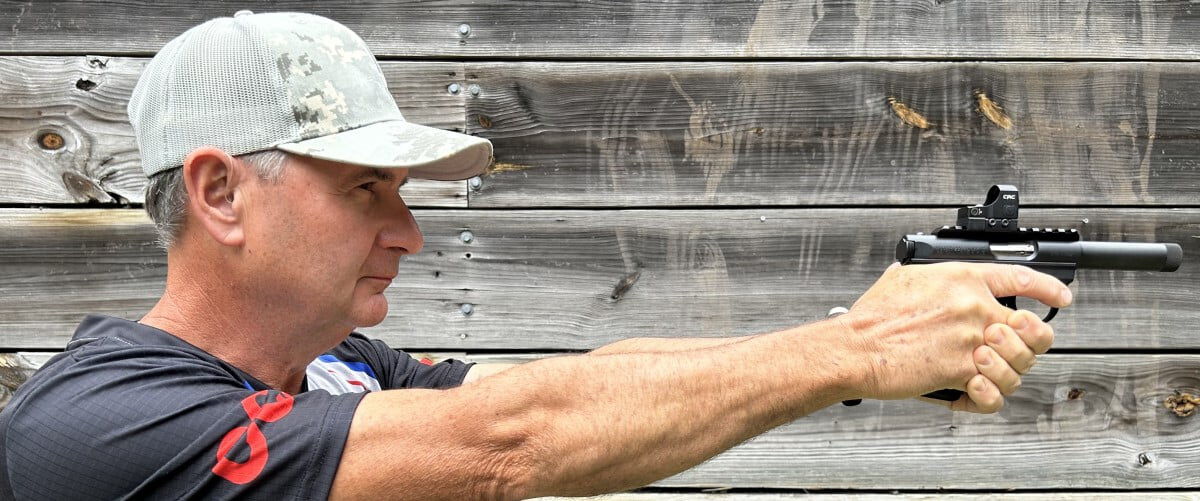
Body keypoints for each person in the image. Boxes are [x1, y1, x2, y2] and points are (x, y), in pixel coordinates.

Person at [0, 10, 1071, 501]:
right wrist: (856, 356)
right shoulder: (98, 427)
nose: (407, 230)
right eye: (366, 187)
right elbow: (509, 444)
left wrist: (853, 339)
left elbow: (599, 386)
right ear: (221, 192)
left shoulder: (340, 374)